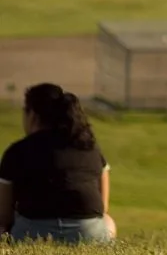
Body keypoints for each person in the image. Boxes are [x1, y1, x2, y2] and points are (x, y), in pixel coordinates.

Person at [0, 83, 116, 243]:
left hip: (31, 235)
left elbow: (4, 215)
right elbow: (103, 208)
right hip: (89, 235)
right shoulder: (90, 148)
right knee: (108, 222)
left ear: (32, 114)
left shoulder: (17, 151)